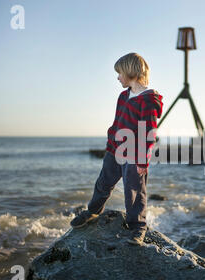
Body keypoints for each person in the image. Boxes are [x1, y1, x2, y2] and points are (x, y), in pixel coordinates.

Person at [70, 53, 163, 246]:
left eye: (120, 73)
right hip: (114, 150)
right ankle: (93, 211)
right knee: (103, 184)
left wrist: (142, 161)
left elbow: (149, 133)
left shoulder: (148, 100)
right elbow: (118, 122)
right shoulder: (123, 96)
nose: (118, 77)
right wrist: (111, 138)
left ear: (130, 72)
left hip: (135, 154)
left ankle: (138, 228)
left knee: (134, 191)